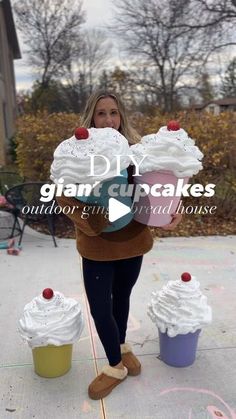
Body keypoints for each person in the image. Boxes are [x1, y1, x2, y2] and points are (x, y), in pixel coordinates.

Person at [56, 90, 182, 400]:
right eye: (102, 113)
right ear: (92, 117)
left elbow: (154, 191)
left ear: (121, 116)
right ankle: (115, 366)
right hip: (98, 247)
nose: (109, 119)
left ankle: (121, 348)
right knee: (100, 307)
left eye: (114, 112)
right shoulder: (79, 153)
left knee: (121, 298)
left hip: (132, 242)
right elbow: (64, 195)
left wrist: (168, 213)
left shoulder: (137, 153)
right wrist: (95, 219)